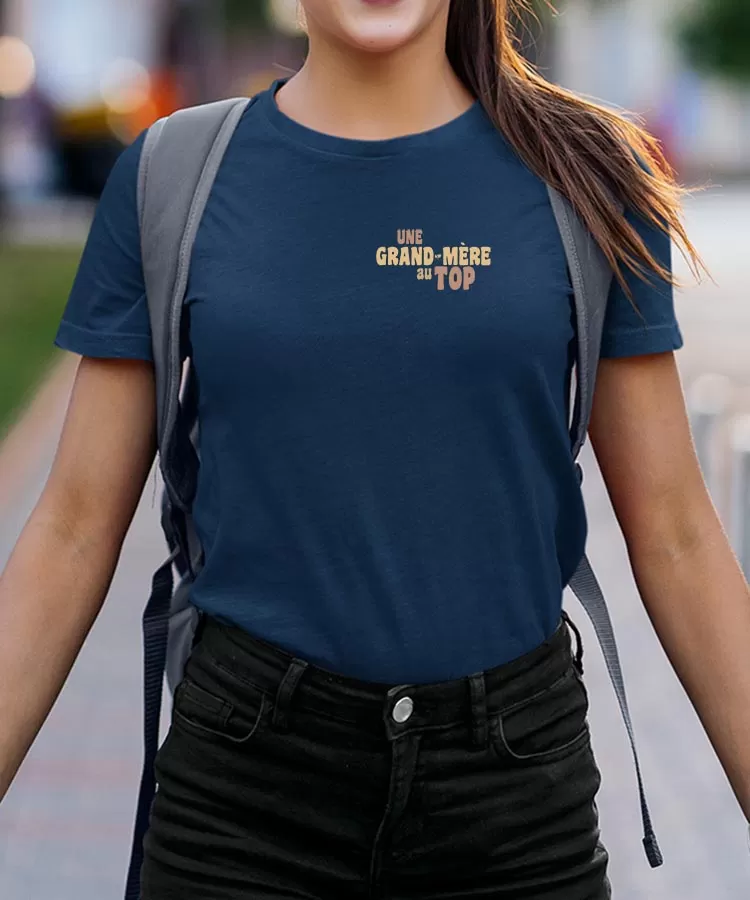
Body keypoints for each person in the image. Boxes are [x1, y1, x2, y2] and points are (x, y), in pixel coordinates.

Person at [1, 1, 749, 897]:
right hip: (244, 796)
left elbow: (676, 532)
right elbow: (74, 526)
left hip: (512, 797)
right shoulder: (174, 175)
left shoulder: (589, 173)